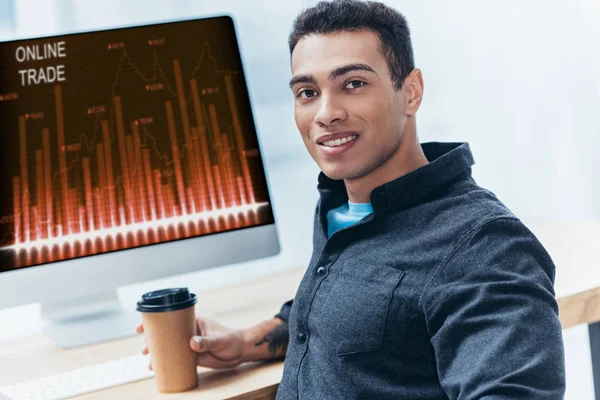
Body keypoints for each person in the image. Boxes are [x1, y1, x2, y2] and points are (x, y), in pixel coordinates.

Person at [137, 0, 566, 398]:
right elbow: (354, 314)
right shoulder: (340, 206)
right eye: (308, 92)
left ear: (411, 91)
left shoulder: (483, 247)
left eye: (353, 83)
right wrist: (245, 342)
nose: (326, 112)